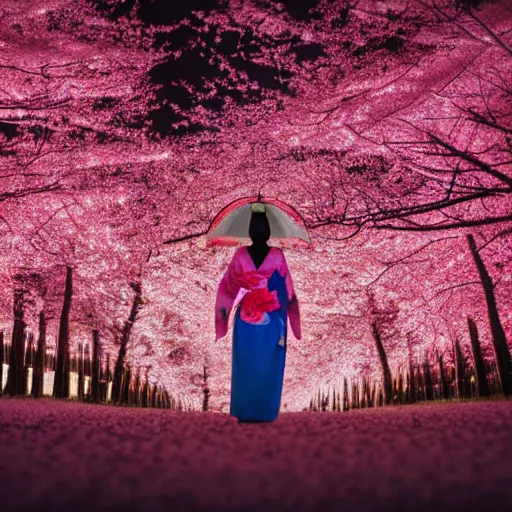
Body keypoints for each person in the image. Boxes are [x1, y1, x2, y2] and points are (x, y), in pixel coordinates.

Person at [215, 204, 301, 422]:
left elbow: (228, 287)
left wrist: (222, 319)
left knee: (245, 362)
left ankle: (244, 410)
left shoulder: (241, 255)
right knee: (270, 362)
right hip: (273, 316)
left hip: (246, 315)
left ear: (250, 231)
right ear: (269, 231)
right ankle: (265, 411)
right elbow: (287, 289)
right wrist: (293, 319)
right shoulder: (277, 255)